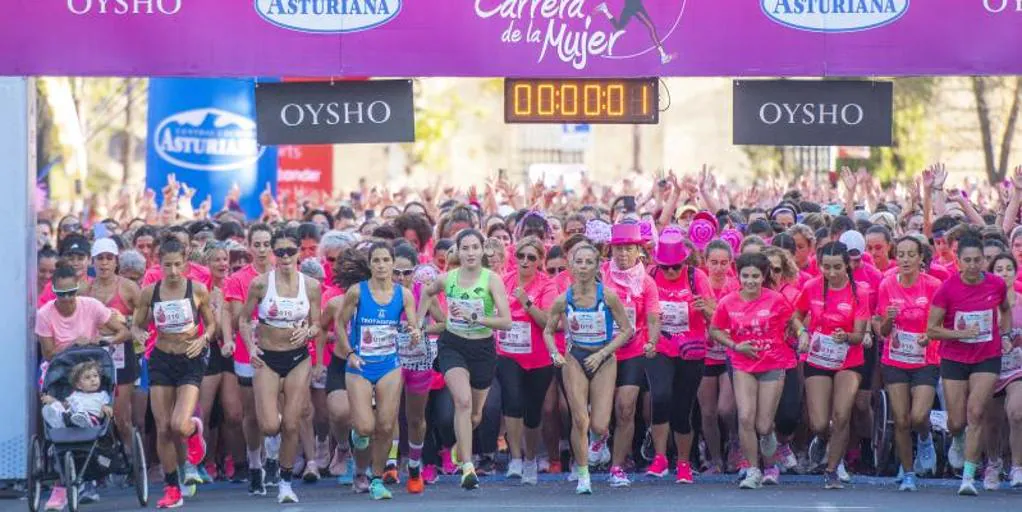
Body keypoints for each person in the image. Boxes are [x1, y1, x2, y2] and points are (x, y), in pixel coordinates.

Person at [416, 229, 512, 490]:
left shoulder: (492, 280)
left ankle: (463, 442)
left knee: (475, 414)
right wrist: (417, 323)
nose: (470, 253)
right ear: (458, 251)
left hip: (482, 348)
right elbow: (426, 292)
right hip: (453, 344)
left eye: (474, 247)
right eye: (465, 248)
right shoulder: (448, 279)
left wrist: (477, 318)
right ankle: (468, 467)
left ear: (482, 250)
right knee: (462, 400)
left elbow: (506, 322)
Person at [709, 253, 809, 489]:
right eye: (746, 276)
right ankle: (753, 469)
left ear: (763, 276)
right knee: (745, 417)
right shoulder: (728, 302)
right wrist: (735, 345)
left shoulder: (775, 299)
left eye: (755, 276)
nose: (750, 281)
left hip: (773, 363)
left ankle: (771, 464)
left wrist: (803, 333)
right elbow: (715, 330)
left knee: (764, 425)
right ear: (739, 275)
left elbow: (793, 321)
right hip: (743, 363)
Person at [239, 228, 322, 504]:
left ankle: (285, 484)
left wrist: (309, 332)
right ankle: (269, 454)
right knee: (269, 426)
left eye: (290, 251)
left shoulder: (310, 285)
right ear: (274, 255)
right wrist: (251, 347)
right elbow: (242, 319)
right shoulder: (261, 284)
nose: (285, 256)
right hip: (267, 359)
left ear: (299, 252)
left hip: (298, 358)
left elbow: (318, 323)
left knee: (291, 423)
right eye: (280, 252)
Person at [133, 236, 216, 509]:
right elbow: (137, 324)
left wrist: (203, 340)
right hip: (160, 358)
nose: (173, 272)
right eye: (167, 265)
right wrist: (140, 335)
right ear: (159, 264)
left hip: (190, 359)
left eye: (178, 265)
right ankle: (172, 488)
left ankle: (194, 432)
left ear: (186, 263)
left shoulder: (198, 289)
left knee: (180, 423)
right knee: (163, 428)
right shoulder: (150, 292)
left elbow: (212, 325)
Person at [544, 241, 633, 494]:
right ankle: (583, 474)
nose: (583, 267)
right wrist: (554, 353)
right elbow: (548, 331)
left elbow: (627, 330)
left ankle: (599, 439)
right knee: (580, 419)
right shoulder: (563, 300)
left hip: (603, 359)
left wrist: (604, 352)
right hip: (574, 359)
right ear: (571, 266)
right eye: (578, 262)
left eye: (588, 262)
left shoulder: (608, 296)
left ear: (597, 267)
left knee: (599, 425)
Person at [333, 242, 419, 500]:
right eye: (377, 261)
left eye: (386, 260)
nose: (381, 265)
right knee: (364, 427)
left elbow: (413, 326)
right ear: (370, 264)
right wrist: (349, 353)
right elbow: (339, 323)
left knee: (385, 424)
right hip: (360, 364)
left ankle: (376, 479)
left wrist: (414, 334)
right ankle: (358, 455)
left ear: (393, 263)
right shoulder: (357, 292)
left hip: (389, 364)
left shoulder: (403, 295)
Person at [927, 233, 1011, 496]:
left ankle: (968, 476)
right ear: (959, 261)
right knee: (956, 420)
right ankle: (958, 438)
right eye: (968, 260)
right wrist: (960, 334)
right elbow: (932, 330)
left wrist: (1004, 333)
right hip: (954, 357)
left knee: (976, 413)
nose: (974, 265)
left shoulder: (996, 285)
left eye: (978, 260)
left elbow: (1005, 309)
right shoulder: (948, 288)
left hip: (987, 356)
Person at [795, 242, 871, 489]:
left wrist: (846, 336)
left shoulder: (859, 291)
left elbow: (859, 335)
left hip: (849, 358)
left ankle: (832, 470)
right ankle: (821, 438)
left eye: (837, 267)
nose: (831, 272)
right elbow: (796, 315)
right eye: (826, 267)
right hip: (818, 357)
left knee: (841, 415)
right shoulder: (811, 286)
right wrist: (802, 332)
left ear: (847, 265)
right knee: (818, 422)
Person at [875, 236, 942, 491]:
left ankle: (925, 438)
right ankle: (909, 472)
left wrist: (929, 335)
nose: (904, 259)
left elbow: (941, 324)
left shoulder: (934, 285)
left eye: (909, 254)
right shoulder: (887, 285)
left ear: (920, 258)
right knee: (901, 419)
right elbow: (882, 330)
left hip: (926, 357)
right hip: (895, 358)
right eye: (900, 254)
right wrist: (889, 319)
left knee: (918, 415)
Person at [646, 235, 712, 483]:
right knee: (660, 397)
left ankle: (683, 462)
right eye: (666, 267)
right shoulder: (650, 276)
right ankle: (661, 458)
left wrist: (704, 308)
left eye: (676, 266)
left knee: (682, 409)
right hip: (659, 347)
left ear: (685, 262)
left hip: (691, 349)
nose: (671, 271)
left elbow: (716, 317)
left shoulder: (697, 277)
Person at [602, 223, 660, 488]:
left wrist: (652, 341)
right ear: (611, 249)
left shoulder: (647, 282)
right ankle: (596, 443)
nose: (623, 253)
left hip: (633, 351)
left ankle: (617, 466)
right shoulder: (601, 275)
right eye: (618, 248)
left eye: (628, 248)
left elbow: (653, 317)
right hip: (602, 351)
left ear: (638, 250)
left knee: (625, 409)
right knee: (600, 415)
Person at [497, 236, 557, 484]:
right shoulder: (503, 281)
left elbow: (548, 322)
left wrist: (527, 303)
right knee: (512, 401)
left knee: (533, 411)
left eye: (531, 257)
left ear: (540, 261)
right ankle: (515, 458)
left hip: (539, 358)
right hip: (509, 353)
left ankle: (531, 458)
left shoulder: (547, 285)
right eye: (521, 256)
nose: (525, 261)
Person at [221, 223, 274, 496]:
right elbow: (232, 315)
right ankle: (255, 464)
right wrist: (229, 340)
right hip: (247, 351)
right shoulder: (238, 279)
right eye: (258, 244)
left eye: (267, 244)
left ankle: (274, 460)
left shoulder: (286, 275)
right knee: (252, 413)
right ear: (250, 246)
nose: (262, 249)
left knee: (276, 411)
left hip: (281, 351)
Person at [80, 237, 141, 468]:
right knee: (95, 411)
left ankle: (132, 461)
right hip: (95, 354)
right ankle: (101, 461)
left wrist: (124, 320)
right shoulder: (86, 289)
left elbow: (144, 319)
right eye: (100, 259)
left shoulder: (128, 287)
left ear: (116, 261)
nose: (104, 264)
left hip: (122, 352)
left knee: (121, 415)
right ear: (93, 262)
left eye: (109, 258)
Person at [698, 240, 740, 473]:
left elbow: (735, 320)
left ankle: (734, 443)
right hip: (703, 356)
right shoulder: (698, 285)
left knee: (726, 409)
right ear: (706, 263)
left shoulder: (735, 287)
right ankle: (715, 459)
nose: (718, 267)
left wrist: (709, 312)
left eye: (724, 263)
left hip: (728, 355)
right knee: (708, 412)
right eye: (713, 262)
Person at [986, 253, 1022, 489]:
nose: (1005, 273)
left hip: (1017, 368)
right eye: (1000, 269)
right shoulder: (984, 302)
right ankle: (993, 463)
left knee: (1017, 414)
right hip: (989, 367)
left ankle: (1017, 467)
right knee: (992, 421)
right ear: (992, 273)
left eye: (1009, 268)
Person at [593, 0, 675, 64]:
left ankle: (605, 10)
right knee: (651, 28)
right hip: (634, 6)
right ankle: (663, 55)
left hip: (631, 6)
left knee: (619, 26)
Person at [41, 360, 112, 429]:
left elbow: (106, 405)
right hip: (72, 417)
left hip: (92, 419)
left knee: (77, 407)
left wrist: (105, 408)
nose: (93, 379)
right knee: (66, 406)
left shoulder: (102, 394)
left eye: (95, 376)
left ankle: (81, 419)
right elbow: (65, 405)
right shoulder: (75, 395)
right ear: (79, 385)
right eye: (87, 377)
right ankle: (60, 420)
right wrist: (53, 401)